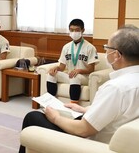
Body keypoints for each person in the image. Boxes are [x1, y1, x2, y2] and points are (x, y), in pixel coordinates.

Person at [19, 25, 139, 153]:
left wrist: (56, 118)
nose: (105, 51)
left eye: (107, 48)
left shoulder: (115, 88)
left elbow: (83, 130)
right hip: (119, 138)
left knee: (32, 117)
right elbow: (120, 111)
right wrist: (83, 109)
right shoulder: (129, 83)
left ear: (116, 55)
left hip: (92, 144)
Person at [46, 19, 99, 103]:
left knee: (75, 76)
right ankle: (50, 103)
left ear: (83, 30)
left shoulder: (90, 47)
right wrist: (55, 68)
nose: (74, 32)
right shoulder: (66, 47)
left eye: (77, 30)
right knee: (51, 74)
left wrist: (79, 70)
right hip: (70, 75)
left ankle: (74, 107)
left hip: (84, 76)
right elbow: (62, 67)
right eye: (72, 30)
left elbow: (91, 69)